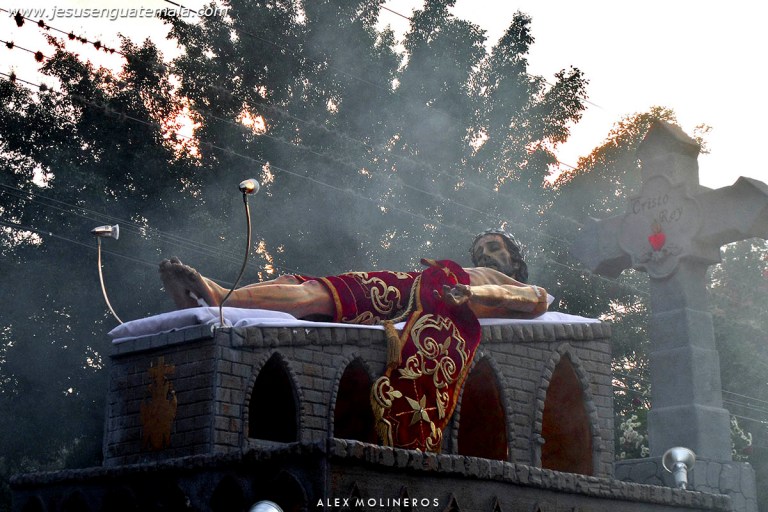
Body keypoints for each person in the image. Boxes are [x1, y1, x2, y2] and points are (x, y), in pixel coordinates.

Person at [159, 230, 547, 323]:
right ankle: (220, 298)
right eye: (479, 253)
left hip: (421, 298)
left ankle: (221, 298)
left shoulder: (517, 286)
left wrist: (471, 292)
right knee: (302, 284)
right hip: (412, 284)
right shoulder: (475, 275)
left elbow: (535, 301)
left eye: (494, 248)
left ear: (515, 259)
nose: (485, 256)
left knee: (319, 295)